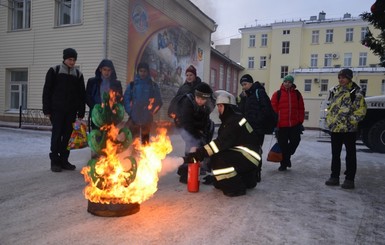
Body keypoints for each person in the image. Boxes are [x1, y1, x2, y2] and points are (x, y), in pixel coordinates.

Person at [184, 90, 262, 197]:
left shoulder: (233, 122)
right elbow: (223, 144)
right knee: (217, 159)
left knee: (219, 158)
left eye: (220, 106)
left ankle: (235, 188)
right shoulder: (233, 119)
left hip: (249, 157)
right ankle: (247, 180)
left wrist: (198, 154)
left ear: (228, 107)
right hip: (249, 157)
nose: (219, 109)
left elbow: (219, 144)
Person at [42, 48, 86, 172]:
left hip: (71, 112)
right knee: (56, 135)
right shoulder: (54, 71)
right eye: (70, 59)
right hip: (56, 111)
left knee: (67, 137)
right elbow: (47, 91)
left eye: (74, 59)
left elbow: (81, 95)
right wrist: (47, 109)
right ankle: (55, 161)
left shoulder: (78, 74)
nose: (72, 62)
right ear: (64, 59)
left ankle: (64, 160)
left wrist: (81, 112)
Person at [325, 68, 367, 189]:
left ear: (349, 78)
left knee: (350, 155)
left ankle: (349, 179)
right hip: (336, 128)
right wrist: (330, 120)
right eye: (339, 77)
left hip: (349, 129)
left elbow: (361, 111)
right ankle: (334, 176)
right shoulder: (334, 91)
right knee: (335, 154)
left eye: (343, 77)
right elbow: (329, 107)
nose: (341, 80)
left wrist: (351, 122)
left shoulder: (356, 92)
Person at [176, 82, 215, 183]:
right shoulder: (187, 102)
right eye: (198, 98)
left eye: (203, 99)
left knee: (201, 145)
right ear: (195, 95)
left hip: (197, 127)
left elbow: (205, 120)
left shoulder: (207, 105)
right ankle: (185, 174)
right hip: (185, 125)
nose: (200, 101)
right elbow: (187, 124)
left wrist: (203, 134)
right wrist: (196, 138)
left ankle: (199, 166)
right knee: (191, 146)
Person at [271, 75, 305, 171]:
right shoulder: (277, 94)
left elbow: (301, 109)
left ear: (292, 83)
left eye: (289, 82)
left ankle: (287, 157)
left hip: (294, 124)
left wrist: (300, 121)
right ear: (283, 82)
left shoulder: (297, 94)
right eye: (285, 81)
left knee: (295, 141)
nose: (287, 84)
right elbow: (273, 110)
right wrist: (275, 124)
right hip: (281, 125)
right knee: (283, 145)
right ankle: (283, 164)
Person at [123, 62, 163, 145]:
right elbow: (126, 99)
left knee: (145, 142)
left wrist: (151, 111)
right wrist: (130, 111)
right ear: (138, 72)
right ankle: (134, 156)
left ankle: (144, 157)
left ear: (147, 72)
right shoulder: (132, 85)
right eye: (141, 71)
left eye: (144, 71)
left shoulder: (153, 85)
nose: (143, 73)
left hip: (147, 117)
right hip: (134, 117)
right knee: (134, 141)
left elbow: (158, 101)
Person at [86, 59, 123, 130]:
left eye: (109, 70)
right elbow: (88, 97)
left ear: (112, 71)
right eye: (104, 70)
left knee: (110, 137)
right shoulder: (92, 82)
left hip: (111, 115)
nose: (106, 72)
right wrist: (95, 107)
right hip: (97, 115)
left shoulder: (116, 84)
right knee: (97, 137)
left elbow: (120, 99)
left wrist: (115, 109)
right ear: (100, 69)